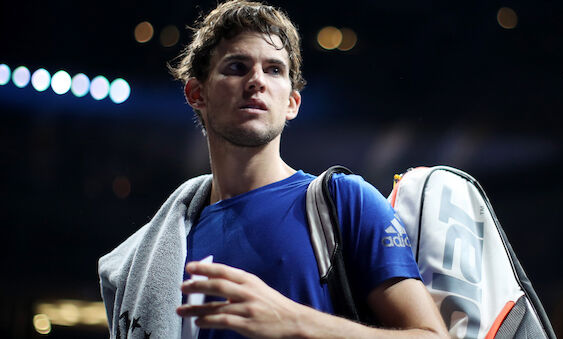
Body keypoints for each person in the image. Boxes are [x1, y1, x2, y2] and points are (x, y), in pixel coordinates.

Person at [98, 1, 448, 338]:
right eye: (237, 67)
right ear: (196, 94)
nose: (256, 80)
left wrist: (298, 322)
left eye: (274, 69)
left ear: (292, 103)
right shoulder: (162, 244)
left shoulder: (345, 202)